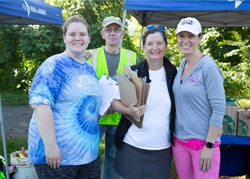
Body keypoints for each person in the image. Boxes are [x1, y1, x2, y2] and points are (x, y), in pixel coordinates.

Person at [28, 14, 101, 179]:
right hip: (59, 157)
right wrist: (51, 146)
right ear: (64, 38)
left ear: (89, 38)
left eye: (82, 34)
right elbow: (40, 105)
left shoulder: (89, 69)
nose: (78, 38)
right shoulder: (54, 65)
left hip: (88, 155)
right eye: (72, 34)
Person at [111, 25, 177, 179]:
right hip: (131, 147)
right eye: (150, 43)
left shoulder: (174, 73)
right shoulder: (132, 72)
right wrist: (129, 111)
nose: (155, 48)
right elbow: (114, 103)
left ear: (166, 46)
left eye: (159, 43)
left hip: (162, 150)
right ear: (143, 46)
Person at [172, 17, 226, 179]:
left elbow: (219, 108)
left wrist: (209, 145)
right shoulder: (182, 64)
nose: (185, 40)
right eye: (182, 36)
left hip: (203, 144)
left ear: (200, 38)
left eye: (191, 36)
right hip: (180, 142)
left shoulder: (208, 68)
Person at [87, 16, 137, 179]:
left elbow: (135, 87)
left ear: (122, 33)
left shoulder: (132, 57)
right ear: (102, 34)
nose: (112, 33)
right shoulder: (90, 55)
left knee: (114, 160)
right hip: (94, 117)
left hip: (119, 118)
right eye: (108, 30)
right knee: (88, 157)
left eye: (116, 30)